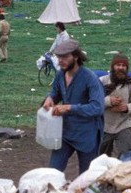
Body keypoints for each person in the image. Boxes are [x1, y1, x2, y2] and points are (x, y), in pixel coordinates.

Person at [41, 39, 104, 175]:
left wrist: (69, 108)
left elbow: (97, 107)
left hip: (87, 134)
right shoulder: (60, 75)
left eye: (64, 57)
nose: (60, 61)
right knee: (52, 172)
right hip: (65, 132)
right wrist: (50, 98)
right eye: (58, 57)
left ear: (76, 57)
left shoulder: (90, 78)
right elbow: (56, 92)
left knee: (87, 177)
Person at [99, 54, 131, 159]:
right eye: (118, 65)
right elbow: (92, 101)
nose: (121, 68)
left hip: (123, 124)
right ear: (113, 66)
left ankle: (123, 173)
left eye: (123, 65)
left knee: (127, 155)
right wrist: (109, 101)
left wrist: (126, 108)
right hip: (104, 125)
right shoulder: (102, 81)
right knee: (101, 157)